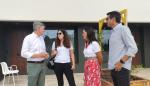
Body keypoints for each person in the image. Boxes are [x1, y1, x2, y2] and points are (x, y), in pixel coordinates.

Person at [106, 11, 138, 86]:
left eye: (107, 19)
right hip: (115, 69)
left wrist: (121, 62)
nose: (106, 21)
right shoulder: (113, 32)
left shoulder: (123, 29)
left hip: (121, 69)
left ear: (113, 19)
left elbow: (133, 48)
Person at [21, 22, 49, 86]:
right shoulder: (28, 38)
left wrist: (46, 55)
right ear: (38, 29)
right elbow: (23, 53)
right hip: (33, 66)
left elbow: (43, 51)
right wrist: (39, 55)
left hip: (42, 64)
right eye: (43, 29)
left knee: (41, 84)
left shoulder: (41, 38)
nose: (44, 30)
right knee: (32, 84)